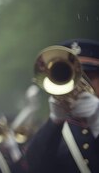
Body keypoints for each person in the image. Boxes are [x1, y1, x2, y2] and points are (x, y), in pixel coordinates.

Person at [25, 38, 99, 173]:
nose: (79, 85)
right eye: (75, 77)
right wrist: (54, 120)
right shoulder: (56, 131)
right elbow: (33, 167)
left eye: (88, 76)